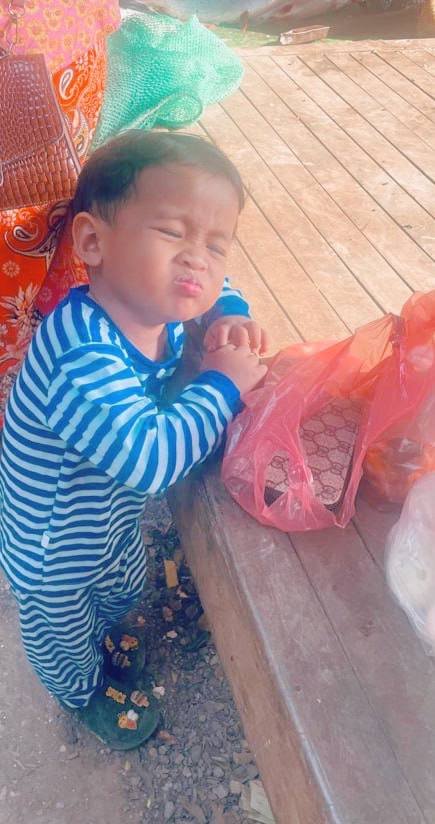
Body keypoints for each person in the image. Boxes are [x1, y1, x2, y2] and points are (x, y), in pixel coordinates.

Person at [0, 130, 268, 749]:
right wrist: (222, 384)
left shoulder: (152, 303)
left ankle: (107, 629)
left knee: (123, 581)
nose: (197, 259)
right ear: (93, 242)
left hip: (106, 515)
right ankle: (83, 692)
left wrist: (229, 308)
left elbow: (208, 285)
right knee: (63, 632)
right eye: (173, 233)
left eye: (216, 244)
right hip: (53, 545)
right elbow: (150, 463)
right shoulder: (80, 352)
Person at [0, 0, 120, 422]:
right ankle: (32, 397)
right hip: (62, 39)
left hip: (33, 55)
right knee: (45, 240)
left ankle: (19, 405)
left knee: (28, 246)